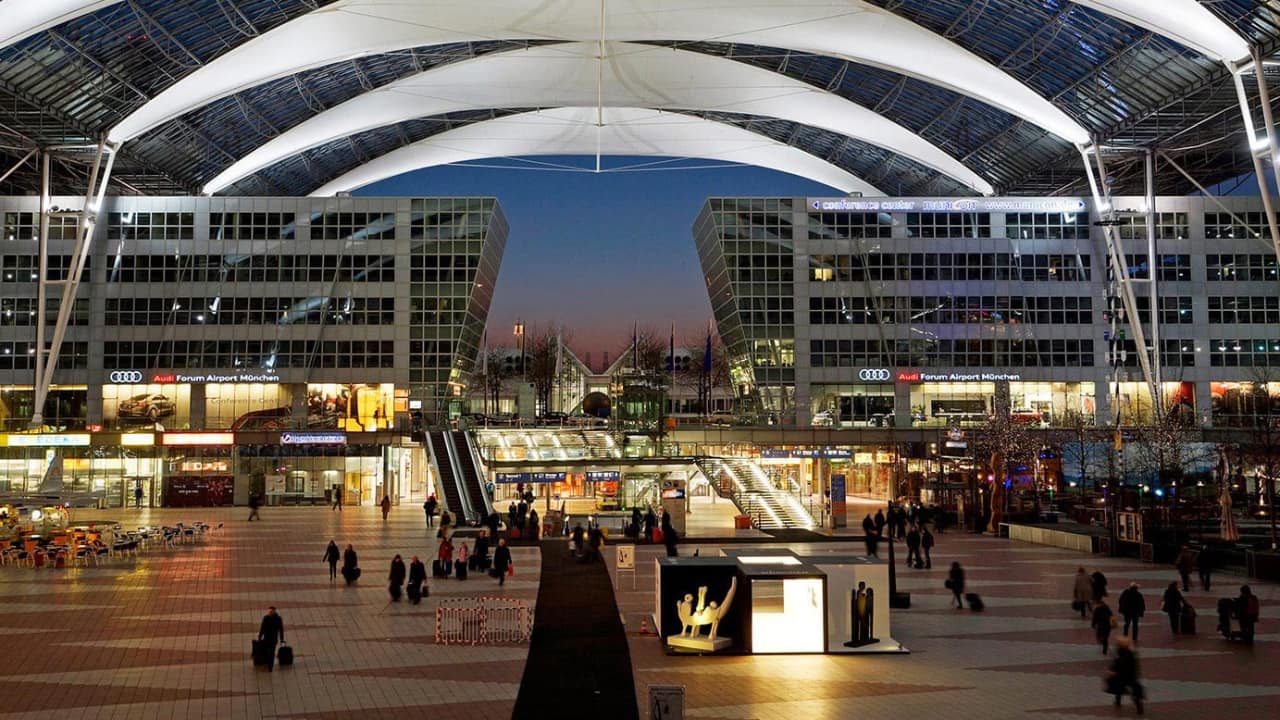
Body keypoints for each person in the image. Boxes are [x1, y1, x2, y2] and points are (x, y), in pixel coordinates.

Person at [1105, 637, 1144, 714]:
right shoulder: (1127, 653)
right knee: (1121, 689)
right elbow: (1117, 663)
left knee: (1122, 689)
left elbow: (1119, 664)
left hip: (1126, 676)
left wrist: (1113, 671)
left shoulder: (1128, 655)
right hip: (1129, 676)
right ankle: (1119, 702)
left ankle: (1138, 707)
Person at [257, 606, 285, 672]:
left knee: (271, 653)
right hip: (266, 638)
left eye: (271, 612)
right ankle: (268, 663)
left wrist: (281, 639)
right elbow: (262, 628)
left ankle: (270, 667)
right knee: (267, 652)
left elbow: (281, 629)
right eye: (269, 612)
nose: (270, 613)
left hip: (273, 639)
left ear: (274, 612)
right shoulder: (266, 618)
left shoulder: (278, 619)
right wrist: (260, 636)